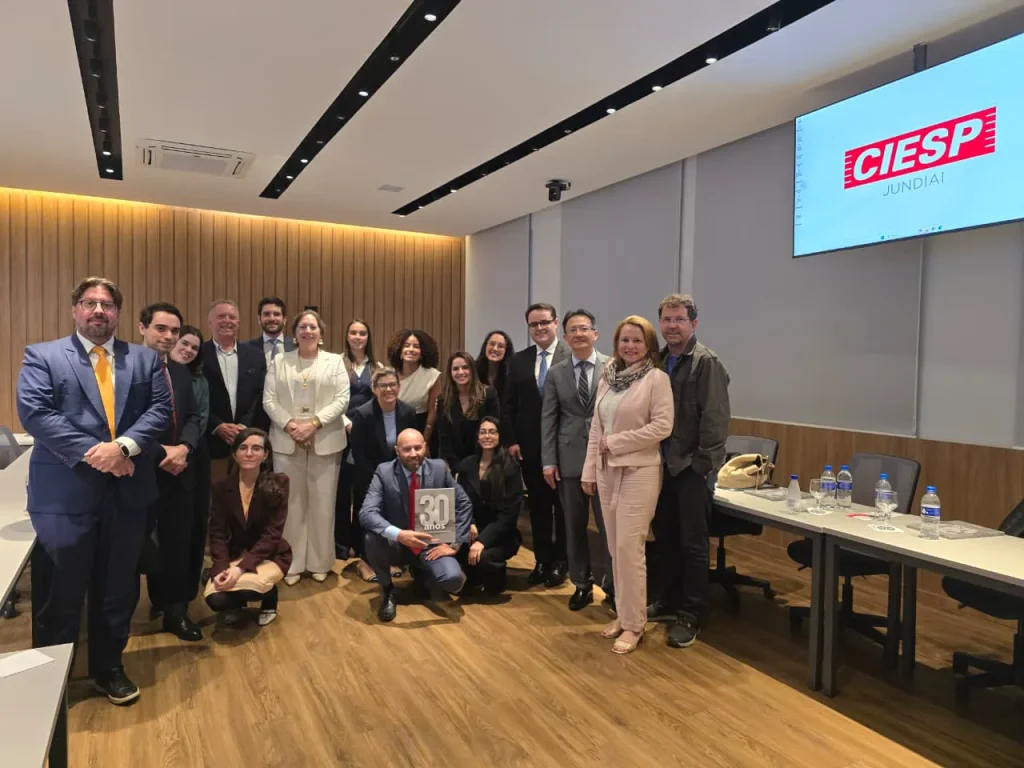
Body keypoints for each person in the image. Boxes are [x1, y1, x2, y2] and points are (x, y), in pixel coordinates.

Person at [17, 276, 172, 705]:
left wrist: (122, 447)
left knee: (117, 590)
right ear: (75, 310)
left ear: (118, 312)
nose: (98, 310)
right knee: (60, 593)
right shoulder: (43, 356)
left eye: (107, 304)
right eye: (89, 303)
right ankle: (50, 679)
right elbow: (35, 413)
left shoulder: (145, 359)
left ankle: (109, 668)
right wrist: (96, 453)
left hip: (126, 494)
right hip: (64, 496)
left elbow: (160, 409)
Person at [582, 315, 673, 655]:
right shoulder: (609, 377)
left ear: (648, 345)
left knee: (629, 549)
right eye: (624, 340)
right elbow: (596, 429)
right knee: (613, 548)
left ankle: (636, 625)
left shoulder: (656, 379)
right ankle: (624, 614)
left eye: (637, 340)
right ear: (616, 344)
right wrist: (589, 470)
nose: (630, 346)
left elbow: (662, 427)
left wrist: (616, 443)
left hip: (639, 472)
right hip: (606, 471)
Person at [648, 294, 730, 649]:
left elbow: (715, 418)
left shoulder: (705, 362)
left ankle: (691, 613)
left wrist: (702, 466)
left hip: (690, 469)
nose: (672, 326)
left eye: (679, 319)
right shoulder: (658, 360)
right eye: (667, 319)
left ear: (693, 323)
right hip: (660, 467)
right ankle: (669, 600)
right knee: (665, 538)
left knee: (693, 544)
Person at [263, 310, 349, 585]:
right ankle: (292, 563)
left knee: (323, 504)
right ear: (294, 333)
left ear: (321, 334)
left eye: (313, 327)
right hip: (286, 440)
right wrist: (291, 426)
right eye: (302, 326)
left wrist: (313, 424)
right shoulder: (280, 361)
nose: (308, 331)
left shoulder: (335, 361)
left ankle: (320, 562)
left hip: (325, 439)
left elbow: (342, 399)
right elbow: (269, 400)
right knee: (291, 505)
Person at [137, 303, 204, 641]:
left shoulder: (179, 371)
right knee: (138, 547)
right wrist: (161, 451)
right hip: (140, 472)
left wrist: (185, 448)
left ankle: (175, 612)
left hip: (180, 472)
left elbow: (192, 416)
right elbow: (120, 425)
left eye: (174, 331)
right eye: (160, 328)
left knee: (178, 545)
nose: (168, 336)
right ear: (142, 328)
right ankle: (127, 616)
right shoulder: (126, 369)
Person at [541, 309, 614, 612]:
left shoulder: (614, 366)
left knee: (610, 527)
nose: (579, 334)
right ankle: (581, 583)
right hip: (569, 457)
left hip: (606, 458)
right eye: (572, 330)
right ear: (565, 336)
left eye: (584, 328)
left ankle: (614, 587)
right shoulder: (556, 373)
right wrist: (548, 461)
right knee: (573, 525)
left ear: (595, 333)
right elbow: (549, 418)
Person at [358, 429, 471, 622]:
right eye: (407, 449)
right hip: (397, 544)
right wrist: (399, 534)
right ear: (397, 450)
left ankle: (422, 572)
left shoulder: (439, 468)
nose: (413, 454)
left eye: (418, 448)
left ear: (425, 447)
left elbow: (464, 503)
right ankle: (388, 590)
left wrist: (455, 544)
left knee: (452, 580)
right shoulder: (384, 472)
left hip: (430, 543)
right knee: (372, 538)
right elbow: (366, 513)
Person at [502, 303, 571, 587]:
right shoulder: (519, 360)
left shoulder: (571, 355)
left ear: (555, 323)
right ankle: (542, 560)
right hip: (530, 447)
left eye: (545, 322)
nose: (540, 328)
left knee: (564, 509)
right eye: (534, 324)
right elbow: (508, 405)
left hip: (565, 446)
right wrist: (511, 440)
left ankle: (562, 561)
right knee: (539, 508)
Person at [205, 429, 291, 627]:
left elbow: (272, 534)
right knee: (216, 599)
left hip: (269, 554)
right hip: (234, 553)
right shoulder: (221, 486)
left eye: (256, 448)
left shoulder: (279, 482)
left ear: (266, 455)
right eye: (243, 448)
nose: (249, 453)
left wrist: (241, 568)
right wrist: (222, 568)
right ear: (235, 454)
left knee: (248, 589)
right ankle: (236, 606)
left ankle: (269, 599)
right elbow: (217, 533)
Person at [348, 367, 418, 581]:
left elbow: (412, 446)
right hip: (368, 474)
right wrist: (379, 480)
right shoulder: (363, 413)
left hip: (400, 474)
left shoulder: (408, 411)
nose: (389, 389)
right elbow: (358, 453)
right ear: (374, 388)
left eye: (392, 384)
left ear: (399, 386)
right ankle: (365, 560)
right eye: (383, 385)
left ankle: (392, 557)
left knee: (397, 514)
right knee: (369, 514)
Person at [170, 325, 213, 606]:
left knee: (194, 525)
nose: (188, 350)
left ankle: (186, 593)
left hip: (194, 456)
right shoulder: (152, 371)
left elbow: (201, 418)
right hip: (158, 457)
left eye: (194, 348)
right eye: (184, 343)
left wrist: (184, 449)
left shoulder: (199, 381)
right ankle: (163, 596)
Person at [455, 417, 522, 595]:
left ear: (500, 436)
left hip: (500, 533)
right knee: (452, 548)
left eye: (492, 432)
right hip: (472, 529)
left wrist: (482, 541)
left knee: (483, 556)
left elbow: (509, 514)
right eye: (483, 432)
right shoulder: (467, 465)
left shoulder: (510, 468)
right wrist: (470, 522)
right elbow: (460, 501)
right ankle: (474, 577)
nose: (487, 436)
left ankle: (496, 576)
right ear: (477, 437)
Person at [201, 299, 268, 467]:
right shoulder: (198, 354)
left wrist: (244, 426)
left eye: (232, 317)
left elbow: (261, 394)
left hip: (249, 440)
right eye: (221, 316)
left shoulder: (256, 355)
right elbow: (193, 399)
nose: (227, 321)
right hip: (210, 442)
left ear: (238, 322)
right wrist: (217, 426)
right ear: (210, 322)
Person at [335, 319, 382, 560]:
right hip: (339, 432)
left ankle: (361, 544)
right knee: (342, 492)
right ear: (347, 336)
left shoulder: (377, 366)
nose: (357, 337)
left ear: (368, 337)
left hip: (367, 437)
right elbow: (329, 397)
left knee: (364, 491)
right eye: (353, 332)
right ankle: (341, 546)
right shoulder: (336, 363)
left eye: (362, 333)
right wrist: (346, 423)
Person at [437, 351, 500, 469]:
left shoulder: (488, 394)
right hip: (455, 464)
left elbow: (494, 431)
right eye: (456, 369)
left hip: (484, 462)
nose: (461, 372)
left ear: (472, 370)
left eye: (465, 367)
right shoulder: (443, 400)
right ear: (450, 373)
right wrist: (455, 466)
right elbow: (444, 437)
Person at [388, 329, 442, 447]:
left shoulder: (432, 375)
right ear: (399, 351)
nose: (411, 349)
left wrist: (425, 439)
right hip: (393, 426)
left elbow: (433, 412)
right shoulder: (389, 374)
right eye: (406, 346)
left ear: (422, 352)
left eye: (416, 346)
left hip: (421, 427)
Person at [248, 296, 296, 363]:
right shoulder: (248, 349)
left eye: (276, 314)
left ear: (284, 319)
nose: (272, 319)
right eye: (266, 314)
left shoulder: (296, 347)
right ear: (259, 319)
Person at [476, 331, 515, 405]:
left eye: (500, 346)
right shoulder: (473, 370)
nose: (495, 349)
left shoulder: (512, 375)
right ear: (485, 346)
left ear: (506, 351)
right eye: (492, 344)